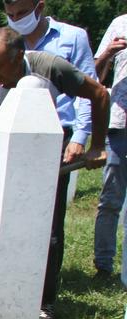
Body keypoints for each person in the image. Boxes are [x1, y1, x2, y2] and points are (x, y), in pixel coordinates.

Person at [0, 28, 108, 319]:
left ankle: (43, 302)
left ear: (18, 57)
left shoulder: (50, 68)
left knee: (47, 232)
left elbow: (99, 94)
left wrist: (97, 146)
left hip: (45, 153)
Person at [1, 0, 98, 319]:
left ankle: (43, 300)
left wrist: (80, 137)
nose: (16, 20)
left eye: (21, 13)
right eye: (10, 15)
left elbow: (89, 88)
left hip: (56, 131)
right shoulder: (5, 40)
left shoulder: (72, 38)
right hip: (12, 132)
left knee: (49, 221)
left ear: (39, 6)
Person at [91, 14, 127, 283]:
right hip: (119, 125)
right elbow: (94, 74)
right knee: (110, 200)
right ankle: (103, 265)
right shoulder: (120, 24)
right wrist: (108, 53)